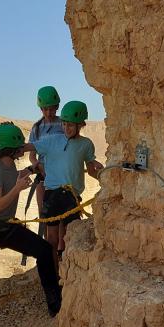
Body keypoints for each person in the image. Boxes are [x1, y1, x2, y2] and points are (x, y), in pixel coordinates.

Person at [0, 121, 62, 327]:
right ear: (12, 148)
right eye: (19, 145)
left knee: (42, 250)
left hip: (4, 227)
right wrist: (19, 188)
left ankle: (54, 304)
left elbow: (13, 177)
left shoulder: (7, 165)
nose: (23, 148)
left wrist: (31, 170)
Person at [25, 100, 103, 270]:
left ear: (81, 125)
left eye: (70, 126)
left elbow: (90, 170)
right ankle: (52, 272)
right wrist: (10, 147)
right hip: (52, 194)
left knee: (69, 237)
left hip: (72, 196)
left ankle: (66, 273)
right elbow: (29, 147)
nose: (66, 128)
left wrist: (105, 179)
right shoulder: (51, 140)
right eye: (64, 124)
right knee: (51, 237)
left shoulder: (86, 144)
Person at [27, 86, 63, 235]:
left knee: (62, 218)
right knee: (45, 217)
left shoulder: (64, 123)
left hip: (61, 175)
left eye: (52, 109)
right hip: (43, 176)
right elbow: (31, 155)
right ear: (41, 108)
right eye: (45, 109)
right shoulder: (36, 128)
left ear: (57, 107)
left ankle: (62, 254)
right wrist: (38, 165)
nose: (49, 113)